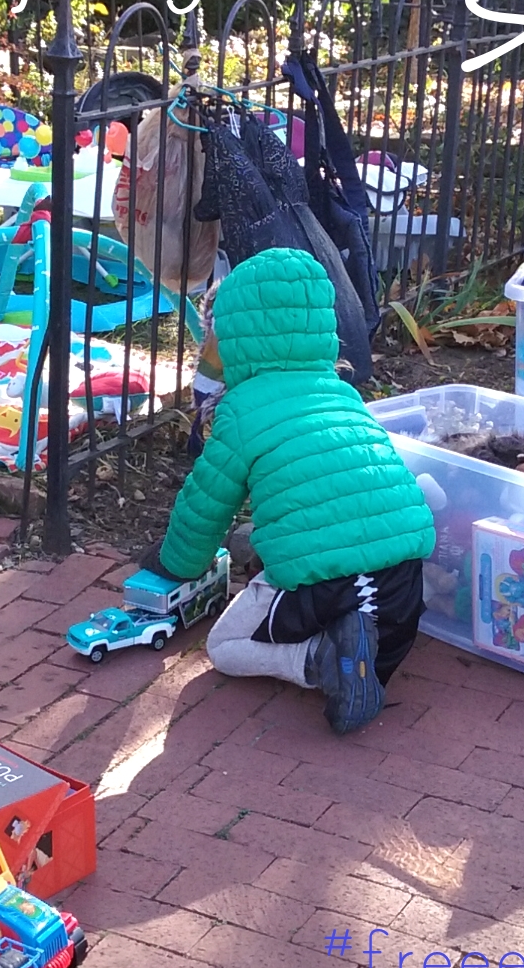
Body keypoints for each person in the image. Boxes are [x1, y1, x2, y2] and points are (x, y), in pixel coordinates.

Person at [139, 248, 434, 733]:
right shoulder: (344, 395)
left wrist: (177, 564)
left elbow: (205, 506)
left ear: (232, 337)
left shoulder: (240, 410)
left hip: (325, 585)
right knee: (366, 624)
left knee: (225, 647)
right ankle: (355, 653)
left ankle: (318, 658)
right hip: (402, 587)